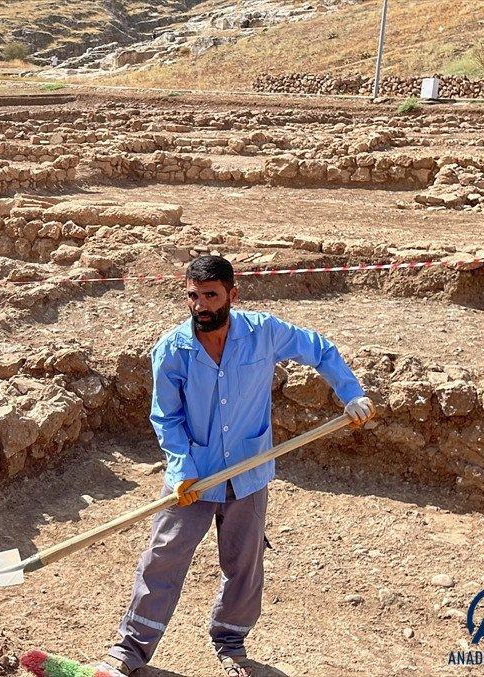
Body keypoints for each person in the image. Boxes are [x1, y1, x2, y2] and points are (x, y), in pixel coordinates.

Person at [96, 256, 375, 677]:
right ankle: (130, 649)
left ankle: (231, 643)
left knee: (244, 563)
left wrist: (350, 393)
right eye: (193, 296)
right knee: (163, 557)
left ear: (232, 294)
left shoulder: (263, 333)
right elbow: (165, 417)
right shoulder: (173, 350)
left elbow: (319, 350)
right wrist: (181, 468)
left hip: (248, 472)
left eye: (210, 295)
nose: (201, 305)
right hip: (194, 475)